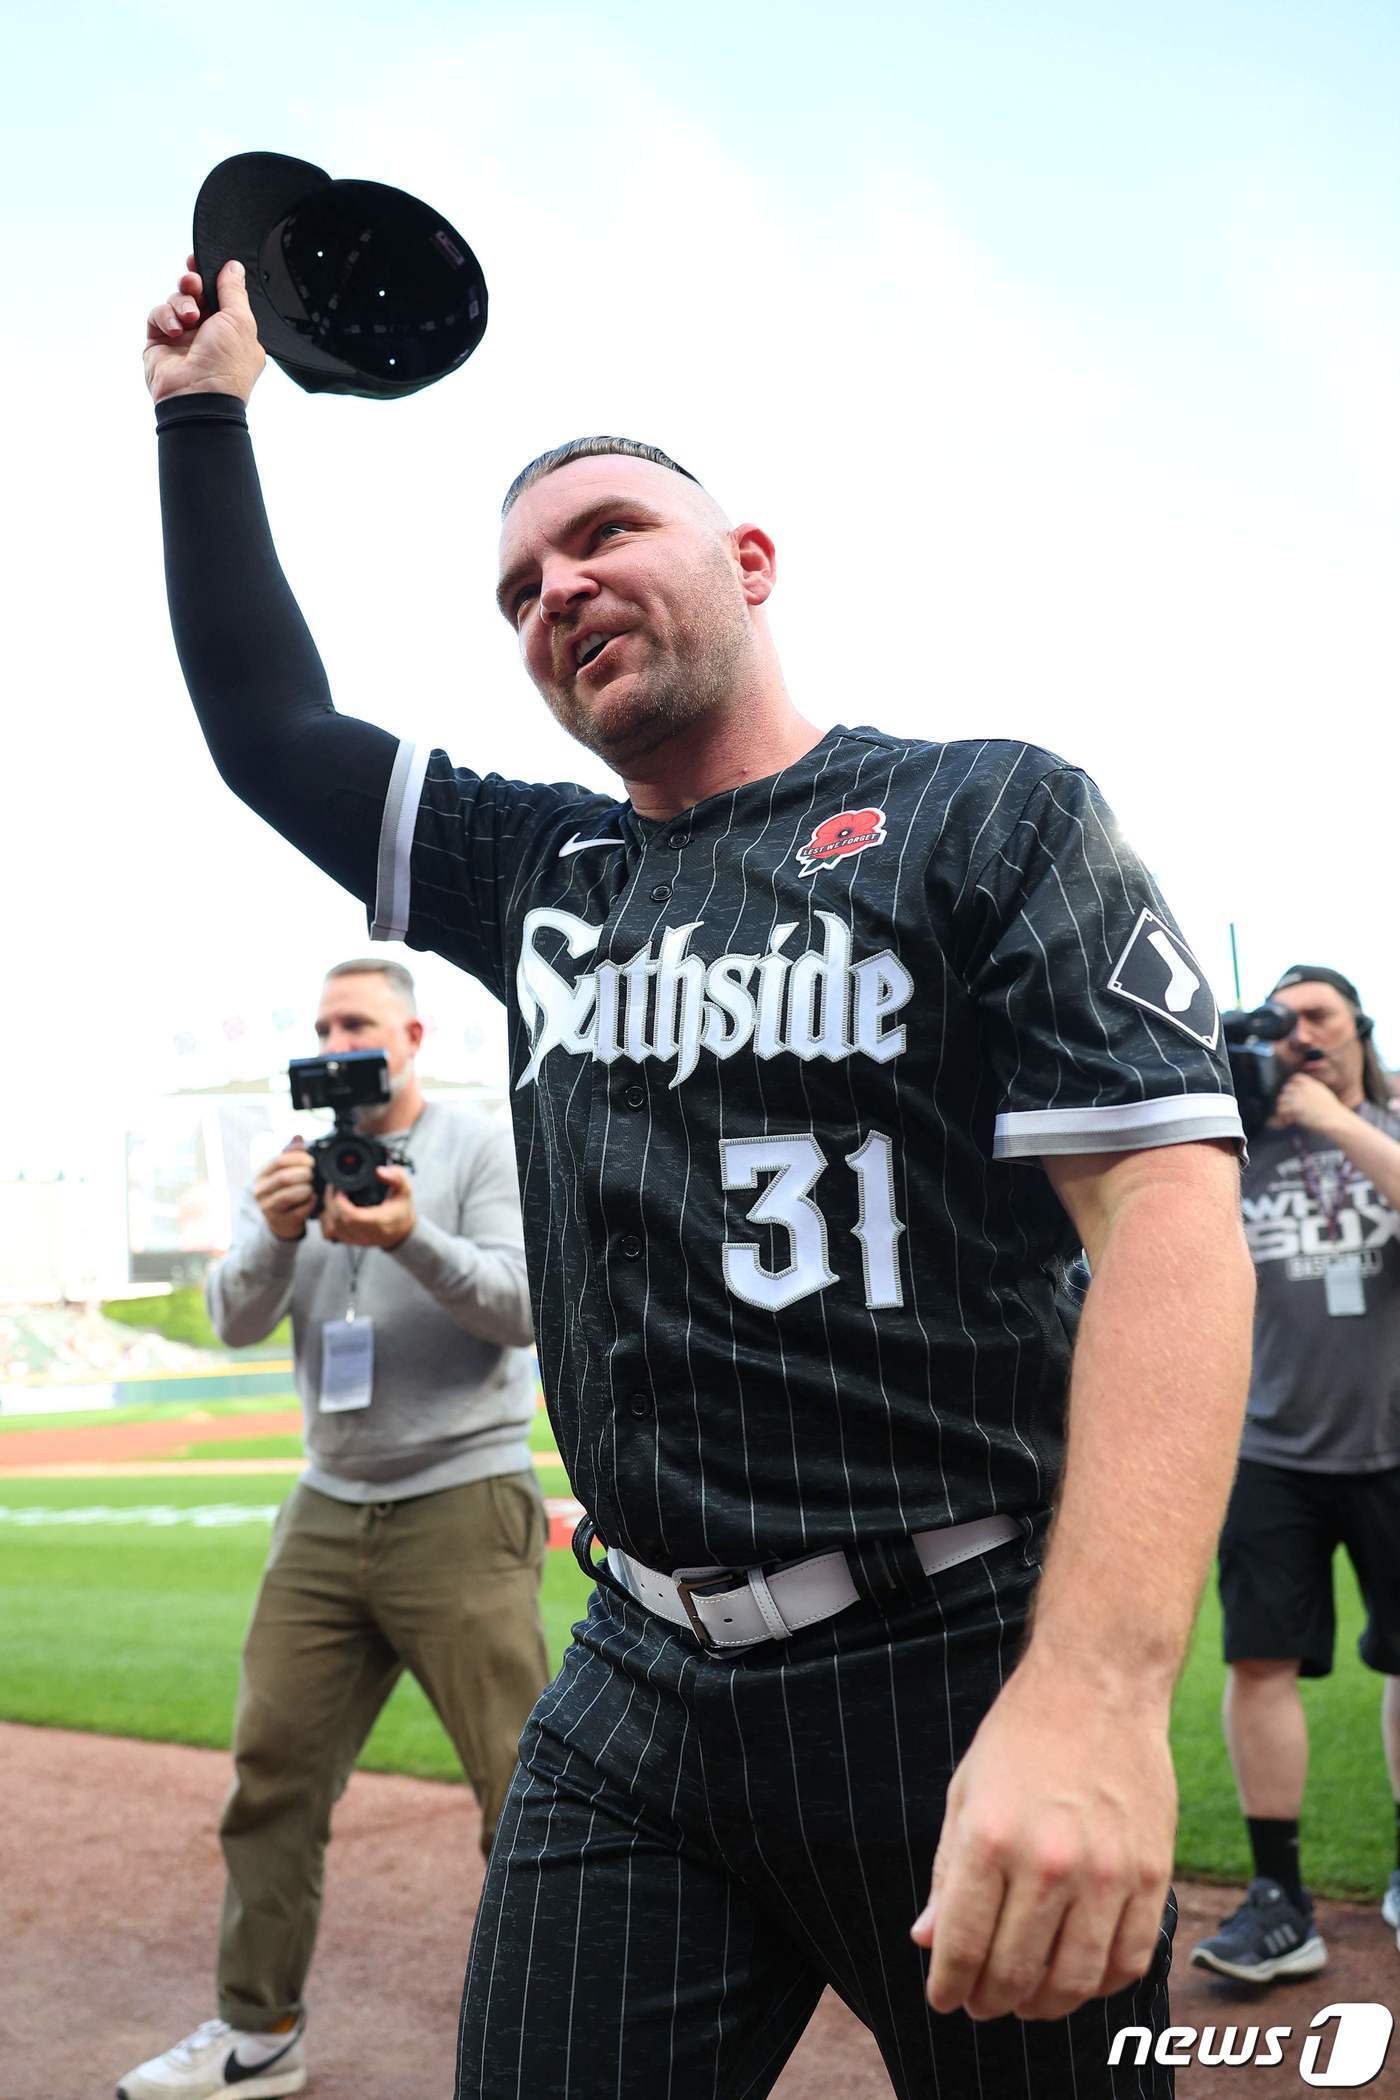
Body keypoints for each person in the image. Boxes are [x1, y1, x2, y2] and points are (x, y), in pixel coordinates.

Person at [140, 253, 1255, 2100]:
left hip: (957, 1651)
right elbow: (273, 737)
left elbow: (1167, 1211)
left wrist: (1103, 1693)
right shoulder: (544, 871)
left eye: (601, 534)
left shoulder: (985, 811)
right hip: (638, 1677)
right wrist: (201, 415)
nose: (555, 590)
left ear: (746, 558)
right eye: (515, 593)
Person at [117, 956, 548, 2100]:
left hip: (462, 1497)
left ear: (410, 1036)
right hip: (325, 1504)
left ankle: (559, 2036)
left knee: (524, 1793)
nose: (334, 1041)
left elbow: (519, 1307)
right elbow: (230, 1318)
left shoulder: (476, 1147)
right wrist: (273, 1230)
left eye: (355, 1022)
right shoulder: (294, 1166)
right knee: (270, 1777)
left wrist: (409, 1236)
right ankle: (256, 2035)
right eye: (319, 1025)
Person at [1191, 965, 1400, 1985]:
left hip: (1394, 1444)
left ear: (1357, 1027)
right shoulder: (1242, 1151)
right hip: (1267, 1448)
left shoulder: (1384, 1135)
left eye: (1317, 1013)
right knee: (1258, 1665)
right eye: (1281, 1020)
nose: (1299, 1031)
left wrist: (1333, 1118)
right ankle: (1279, 1902)